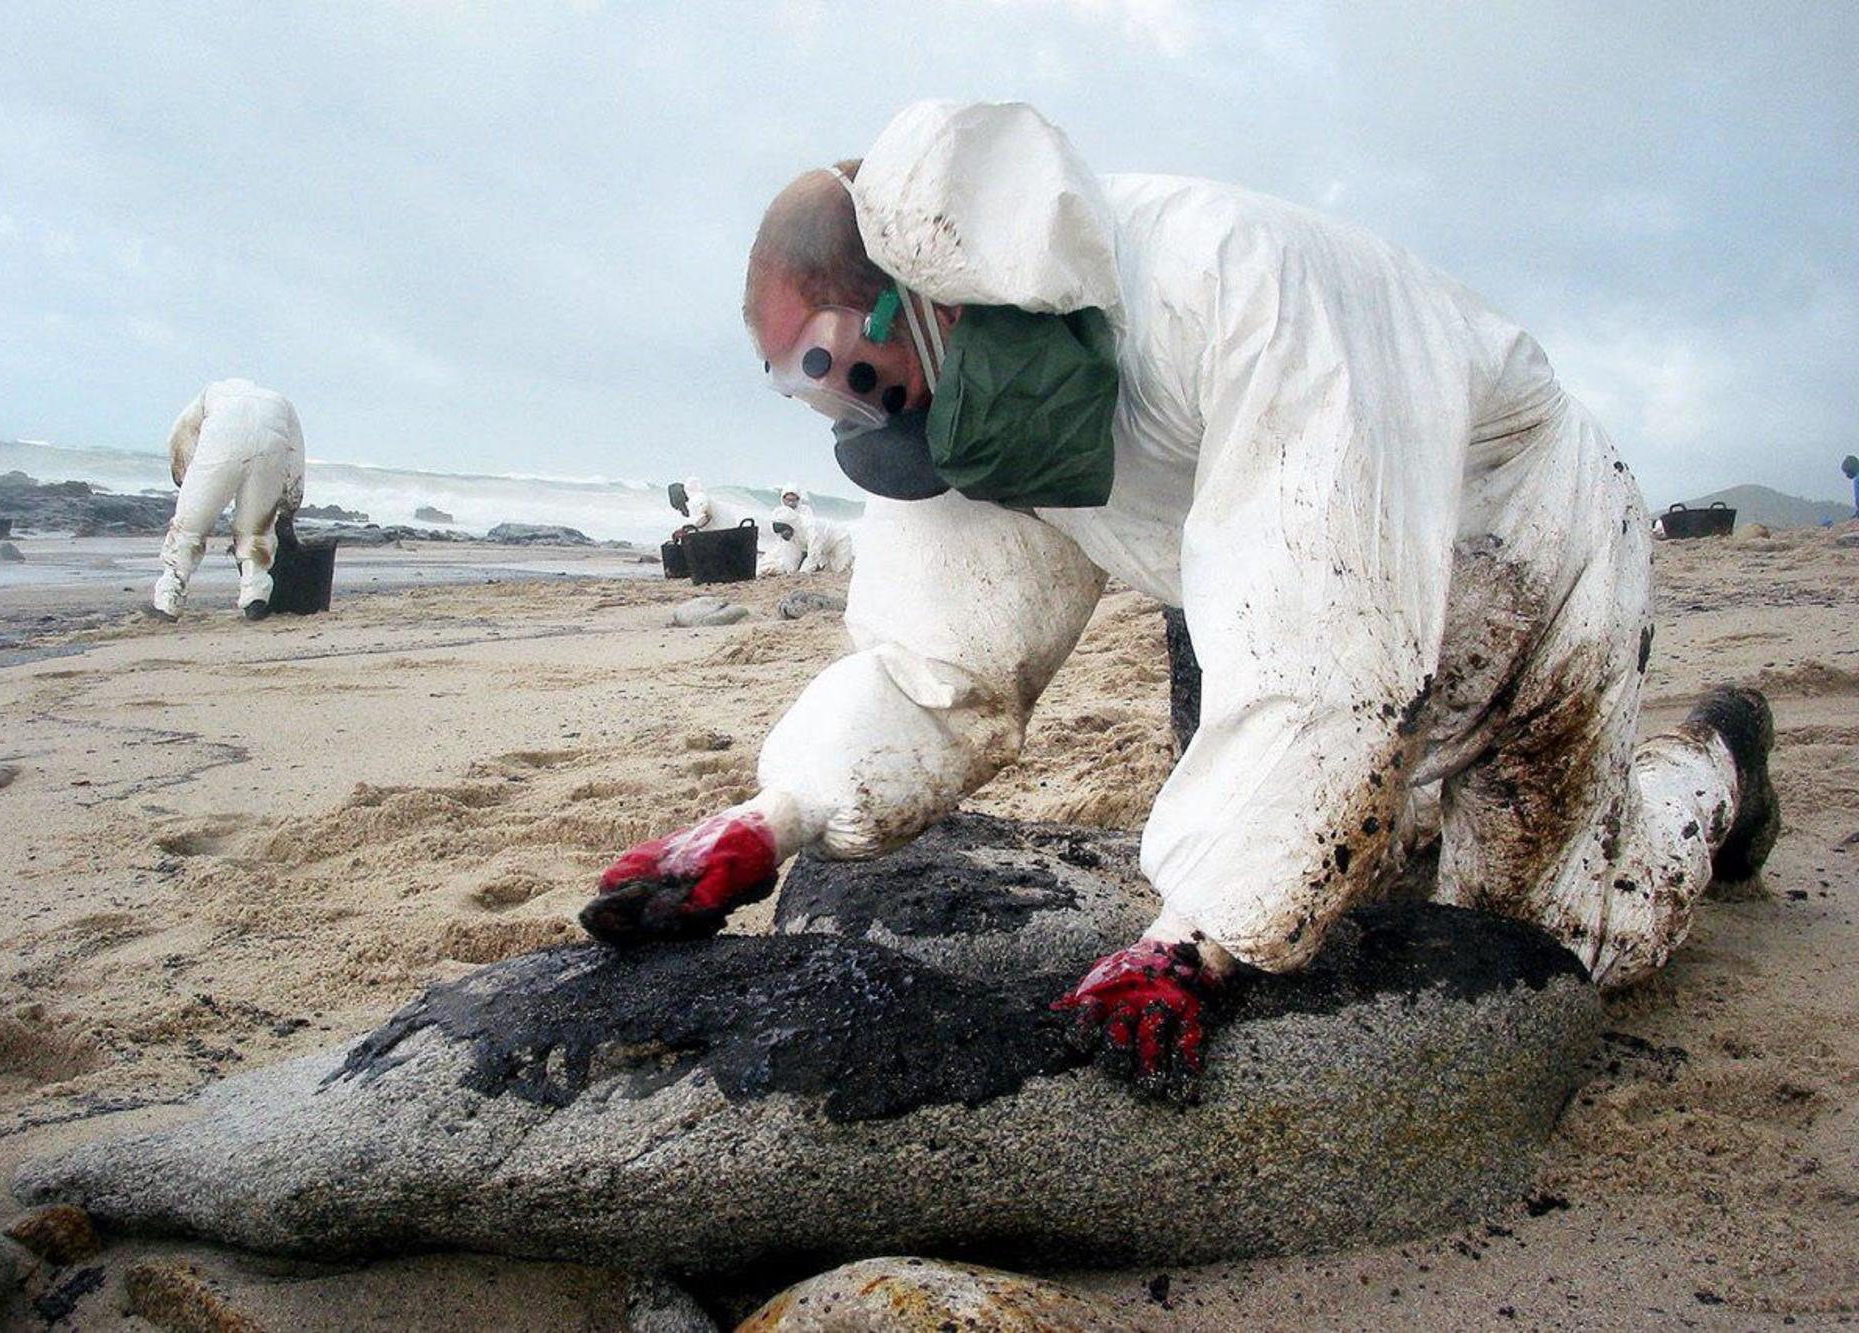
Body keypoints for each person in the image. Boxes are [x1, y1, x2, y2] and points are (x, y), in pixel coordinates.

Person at [580, 101, 1780, 1099]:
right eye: (798, 392)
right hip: (1268, 592)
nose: (839, 411)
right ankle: (1379, 823)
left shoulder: (1237, 290)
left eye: (825, 365)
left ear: (907, 294)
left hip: (1518, 557)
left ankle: (1711, 775)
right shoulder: (977, 391)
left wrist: (1191, 946)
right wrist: (768, 817)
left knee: (1555, 943)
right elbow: (937, 663)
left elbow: (1328, 643)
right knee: (1362, 867)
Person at [152, 379, 304, 621]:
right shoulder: (280, 401)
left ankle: (169, 599)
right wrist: (289, 506)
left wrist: (182, 478)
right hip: (270, 450)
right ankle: (255, 598)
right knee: (256, 531)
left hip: (221, 446)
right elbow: (295, 454)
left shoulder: (211, 393)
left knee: (189, 529)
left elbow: (181, 436)